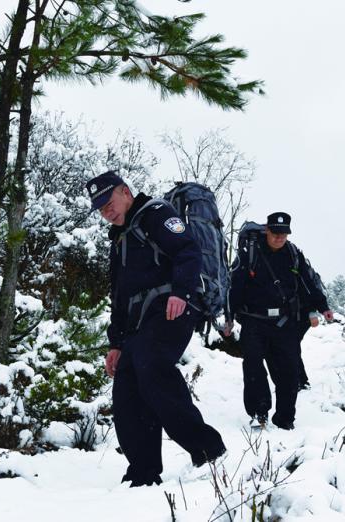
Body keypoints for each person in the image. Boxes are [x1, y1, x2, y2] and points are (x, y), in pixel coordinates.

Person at [86, 170, 226, 487]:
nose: (107, 211)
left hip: (172, 309)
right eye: (101, 208)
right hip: (138, 324)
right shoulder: (120, 240)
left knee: (152, 365)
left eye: (109, 202)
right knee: (126, 387)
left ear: (125, 191)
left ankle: (208, 449)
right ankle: (143, 472)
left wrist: (182, 292)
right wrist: (116, 344)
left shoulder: (156, 214)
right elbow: (119, 298)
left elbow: (187, 251)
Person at [225, 212, 333, 430]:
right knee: (254, 368)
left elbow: (307, 283)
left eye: (284, 234)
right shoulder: (250, 253)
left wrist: (323, 307)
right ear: (267, 230)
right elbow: (235, 287)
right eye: (275, 233)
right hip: (254, 321)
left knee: (289, 371)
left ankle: (285, 419)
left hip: (285, 322)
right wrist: (229, 318)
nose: (279, 238)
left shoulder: (293, 254)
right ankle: (259, 413)